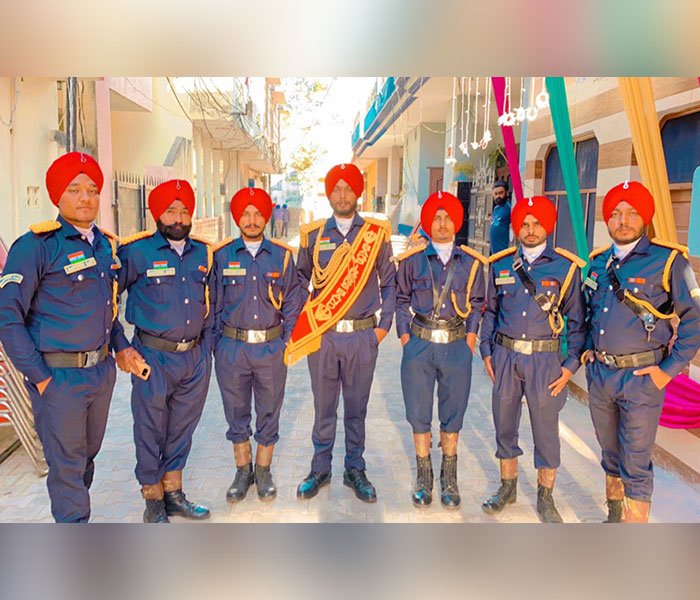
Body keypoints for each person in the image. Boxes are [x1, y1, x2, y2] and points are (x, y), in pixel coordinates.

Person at [0, 152, 122, 522]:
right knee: (67, 468)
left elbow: (108, 308)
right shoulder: (35, 246)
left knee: (85, 459)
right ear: (57, 195)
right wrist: (42, 379)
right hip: (59, 379)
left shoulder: (103, 245)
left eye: (93, 190)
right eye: (75, 189)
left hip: (100, 373)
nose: (86, 197)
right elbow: (7, 318)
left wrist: (121, 349)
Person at [583, 181, 700, 523]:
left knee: (635, 462)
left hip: (642, 379)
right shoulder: (598, 262)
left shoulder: (669, 261)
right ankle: (615, 519)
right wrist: (588, 349)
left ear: (645, 217)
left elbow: (694, 318)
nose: (623, 220)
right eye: (616, 213)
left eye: (632, 212)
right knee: (610, 454)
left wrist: (668, 370)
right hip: (601, 376)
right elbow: (589, 311)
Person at [287, 163, 396, 503]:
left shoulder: (376, 235)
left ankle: (354, 468)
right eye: (337, 189)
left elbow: (390, 283)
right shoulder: (314, 236)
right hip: (324, 337)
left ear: (357, 193)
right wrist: (304, 324)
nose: (343, 195)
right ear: (329, 194)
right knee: (324, 407)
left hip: (362, 337)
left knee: (356, 408)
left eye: (349, 188)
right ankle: (320, 468)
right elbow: (299, 282)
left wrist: (383, 328)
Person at [480, 196, 587, 523]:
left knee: (546, 429)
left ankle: (545, 496)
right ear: (516, 228)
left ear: (547, 227)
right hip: (506, 357)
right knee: (504, 423)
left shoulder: (566, 268)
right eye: (524, 224)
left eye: (536, 223)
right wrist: (486, 351)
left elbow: (578, 323)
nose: (530, 230)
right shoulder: (500, 264)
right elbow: (490, 312)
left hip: (545, 362)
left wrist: (569, 366)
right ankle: (507, 487)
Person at [113, 179, 213, 523]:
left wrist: (206, 350)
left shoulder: (204, 253)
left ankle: (173, 493)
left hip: (194, 358)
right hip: (152, 357)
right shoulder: (136, 252)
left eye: (184, 210)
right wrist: (121, 346)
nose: (179, 217)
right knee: (150, 428)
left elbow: (213, 304)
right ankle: (152, 500)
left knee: (182, 427)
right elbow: (107, 300)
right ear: (157, 214)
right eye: (171, 210)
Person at [394, 191, 486, 509]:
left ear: (456, 222)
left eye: (447, 218)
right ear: (428, 223)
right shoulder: (412, 261)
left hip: (456, 345)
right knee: (418, 413)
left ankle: (449, 477)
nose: (442, 224)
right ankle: (424, 476)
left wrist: (470, 341)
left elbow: (477, 304)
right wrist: (405, 339)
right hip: (419, 345)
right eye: (436, 218)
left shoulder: (471, 263)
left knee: (453, 414)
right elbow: (401, 300)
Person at [212, 187, 303, 503]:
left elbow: (293, 300)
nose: (251, 220)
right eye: (245, 214)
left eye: (257, 214)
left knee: (269, 409)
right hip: (232, 348)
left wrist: (285, 341)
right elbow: (212, 302)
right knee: (235, 411)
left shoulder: (282, 255)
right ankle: (242, 470)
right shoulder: (222, 256)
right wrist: (218, 346)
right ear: (237, 218)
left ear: (267, 217)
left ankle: (263, 470)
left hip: (270, 348)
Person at [489, 181, 511, 255]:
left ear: (507, 193)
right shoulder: (496, 208)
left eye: (501, 193)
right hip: (495, 253)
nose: (498, 196)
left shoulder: (509, 207)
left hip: (505, 252)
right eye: (495, 194)